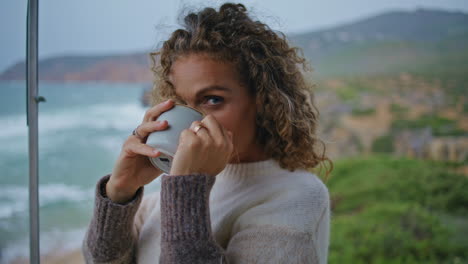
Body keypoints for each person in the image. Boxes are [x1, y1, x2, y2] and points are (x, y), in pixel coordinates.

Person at [82, 3, 333, 264]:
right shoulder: (163, 197)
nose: (191, 128)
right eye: (181, 104)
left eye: (212, 100)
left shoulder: (296, 198)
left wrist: (186, 190)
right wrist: (120, 192)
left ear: (262, 100)